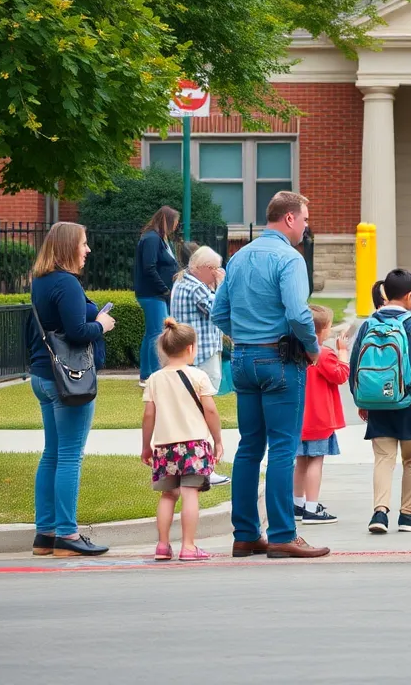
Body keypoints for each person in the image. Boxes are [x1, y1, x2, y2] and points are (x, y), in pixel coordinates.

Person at [211, 191, 329, 560]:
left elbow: (218, 314)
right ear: (290, 218)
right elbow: (297, 313)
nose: (306, 227)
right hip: (279, 360)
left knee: (249, 448)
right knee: (282, 448)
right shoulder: (289, 259)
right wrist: (311, 348)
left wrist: (245, 335)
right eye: (305, 220)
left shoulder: (239, 257)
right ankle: (282, 534)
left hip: (245, 359)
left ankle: (245, 535)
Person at [27, 222, 116, 558]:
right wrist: (102, 325)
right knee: (69, 456)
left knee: (52, 453)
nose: (88, 249)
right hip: (68, 379)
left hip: (42, 374)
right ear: (68, 247)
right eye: (83, 243)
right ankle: (67, 533)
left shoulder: (42, 280)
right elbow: (79, 331)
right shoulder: (65, 282)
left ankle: (45, 534)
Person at [350, 269, 411, 535]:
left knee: (383, 458)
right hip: (410, 402)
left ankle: (379, 512)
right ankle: (408, 515)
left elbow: (355, 364)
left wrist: (362, 398)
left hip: (377, 402)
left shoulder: (368, 323)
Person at [140, 318, 225, 562]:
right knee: (190, 494)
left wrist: (147, 446)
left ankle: (163, 545)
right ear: (190, 348)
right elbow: (210, 410)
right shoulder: (198, 376)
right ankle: (188, 546)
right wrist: (217, 440)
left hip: (165, 448)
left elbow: (148, 415)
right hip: (194, 446)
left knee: (168, 495)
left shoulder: (154, 379)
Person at [169, 246, 230, 487]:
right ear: (203, 268)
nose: (217, 273)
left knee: (192, 414)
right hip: (201, 356)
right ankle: (204, 468)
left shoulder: (184, 283)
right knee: (203, 413)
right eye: (215, 269)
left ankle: (192, 466)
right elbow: (220, 309)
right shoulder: (195, 287)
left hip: (191, 356)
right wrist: (223, 285)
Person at [294, 304, 349, 524]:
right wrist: (343, 354)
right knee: (316, 460)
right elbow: (340, 376)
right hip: (319, 418)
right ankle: (311, 508)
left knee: (300, 461)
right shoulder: (324, 354)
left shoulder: (296, 351)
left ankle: (297, 503)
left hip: (298, 417)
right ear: (321, 330)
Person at [134, 206, 180, 387]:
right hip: (153, 293)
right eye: (174, 222)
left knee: (151, 333)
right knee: (157, 334)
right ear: (167, 221)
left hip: (154, 293)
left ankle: (146, 374)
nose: (176, 227)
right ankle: (154, 374)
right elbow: (149, 268)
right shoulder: (153, 239)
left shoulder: (158, 238)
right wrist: (164, 290)